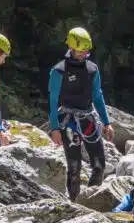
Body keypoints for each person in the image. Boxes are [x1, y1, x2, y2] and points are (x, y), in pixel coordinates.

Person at [49, 27, 114, 200]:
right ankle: (74, 202)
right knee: (74, 168)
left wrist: (107, 122)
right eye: (81, 50)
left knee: (99, 165)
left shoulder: (92, 69)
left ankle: (91, 199)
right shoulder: (58, 71)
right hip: (68, 121)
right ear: (71, 47)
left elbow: (97, 96)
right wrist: (54, 128)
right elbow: (53, 101)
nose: (84, 53)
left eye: (87, 50)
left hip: (88, 119)